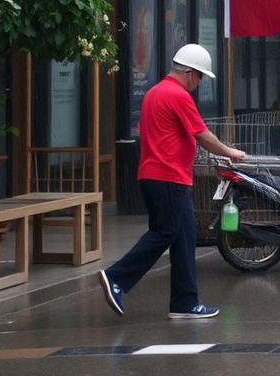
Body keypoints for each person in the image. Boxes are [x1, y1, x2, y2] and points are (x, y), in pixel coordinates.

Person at [99, 44, 245, 320]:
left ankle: (184, 302)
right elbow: (202, 135)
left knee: (183, 237)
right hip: (168, 177)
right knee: (164, 232)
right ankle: (115, 277)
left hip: (155, 175)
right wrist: (229, 152)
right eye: (200, 77)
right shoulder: (177, 95)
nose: (199, 83)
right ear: (190, 73)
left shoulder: (154, 93)